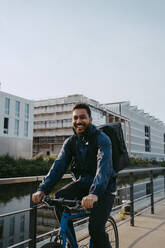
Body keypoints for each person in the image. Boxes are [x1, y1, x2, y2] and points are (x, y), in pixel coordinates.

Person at [32, 103, 117, 248]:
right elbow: (58, 166)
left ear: (90, 119)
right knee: (59, 197)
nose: (78, 121)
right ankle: (72, 243)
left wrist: (95, 193)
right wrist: (43, 189)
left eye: (82, 117)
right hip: (82, 184)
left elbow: (104, 168)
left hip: (104, 189)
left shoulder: (102, 139)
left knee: (96, 230)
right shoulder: (70, 142)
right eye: (75, 118)